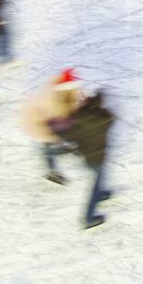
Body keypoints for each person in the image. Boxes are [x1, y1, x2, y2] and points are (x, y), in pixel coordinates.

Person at [52, 91, 116, 229]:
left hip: (88, 156)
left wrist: (80, 108)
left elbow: (70, 136)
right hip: (98, 157)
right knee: (96, 183)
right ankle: (88, 218)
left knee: (99, 179)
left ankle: (100, 194)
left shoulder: (79, 117)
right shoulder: (103, 118)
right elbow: (111, 118)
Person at [20, 69, 84, 185]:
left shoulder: (71, 91)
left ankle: (65, 148)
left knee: (63, 139)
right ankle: (52, 172)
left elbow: (76, 103)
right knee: (49, 145)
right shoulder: (48, 98)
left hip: (59, 122)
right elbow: (33, 115)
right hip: (42, 124)